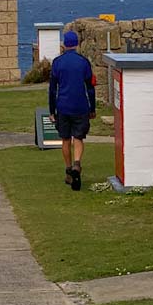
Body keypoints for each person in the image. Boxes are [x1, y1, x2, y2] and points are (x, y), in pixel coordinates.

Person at [48, 30, 96, 191]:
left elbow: (52, 89)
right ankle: (77, 164)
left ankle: (69, 171)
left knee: (66, 139)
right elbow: (90, 87)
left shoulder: (57, 62)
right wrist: (92, 108)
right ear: (76, 44)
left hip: (63, 106)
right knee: (79, 137)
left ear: (64, 44)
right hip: (80, 106)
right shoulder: (83, 62)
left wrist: (52, 110)